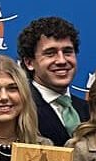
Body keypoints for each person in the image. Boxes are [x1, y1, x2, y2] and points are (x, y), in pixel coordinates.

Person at [19, 17, 86, 146]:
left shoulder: (91, 110)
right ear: (29, 63)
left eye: (67, 52)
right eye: (50, 53)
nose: (61, 61)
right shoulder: (20, 109)